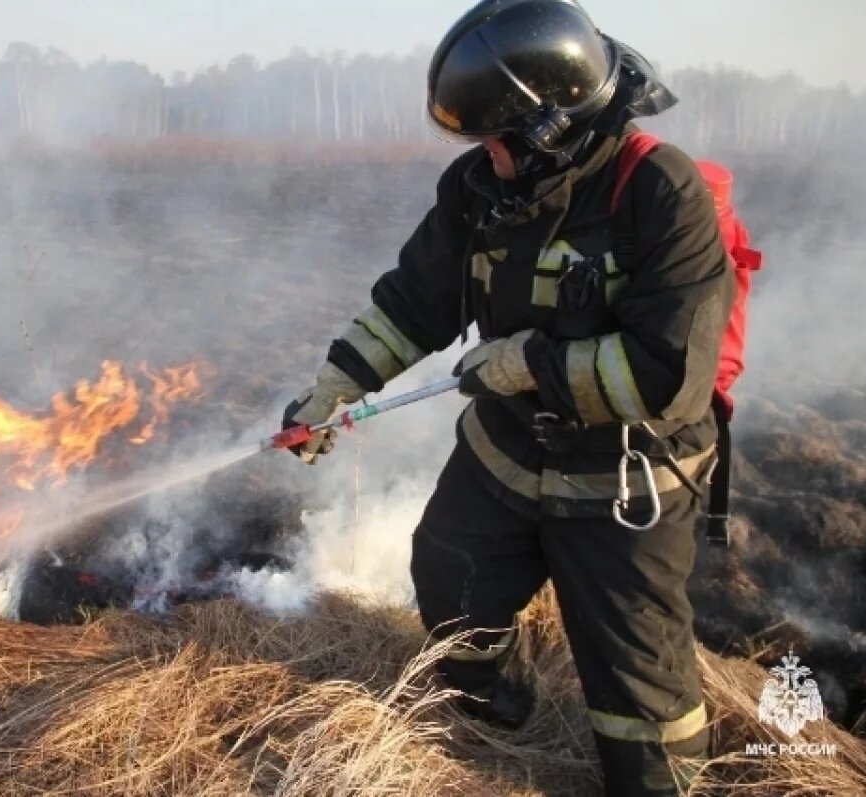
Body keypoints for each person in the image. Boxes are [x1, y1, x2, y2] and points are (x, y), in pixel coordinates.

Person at [280, 1, 735, 795]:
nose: (482, 156)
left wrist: (531, 364)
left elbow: (668, 374)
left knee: (640, 691)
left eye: (495, 139)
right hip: (506, 453)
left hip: (623, 481)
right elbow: (414, 300)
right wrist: (336, 386)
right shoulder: (479, 188)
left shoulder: (662, 192)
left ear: (552, 127)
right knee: (451, 581)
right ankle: (499, 725)